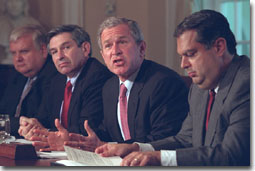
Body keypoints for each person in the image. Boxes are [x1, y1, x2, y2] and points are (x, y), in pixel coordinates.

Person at [94, 10, 250, 166]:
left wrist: (159, 158)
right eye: (182, 56)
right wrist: (136, 148)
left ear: (219, 47)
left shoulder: (247, 83)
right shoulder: (199, 88)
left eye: (191, 54)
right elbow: (184, 139)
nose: (183, 65)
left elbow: (231, 154)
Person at [59, 17, 189, 152]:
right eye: (108, 45)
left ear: (142, 48)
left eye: (122, 42)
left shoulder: (163, 82)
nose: (115, 51)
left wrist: (120, 147)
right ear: (103, 56)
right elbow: (109, 132)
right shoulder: (110, 87)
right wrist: (86, 141)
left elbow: (164, 138)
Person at [18, 25, 112, 146]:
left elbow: (85, 129)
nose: (60, 56)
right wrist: (32, 127)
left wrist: (46, 132)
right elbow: (42, 119)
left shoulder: (97, 76)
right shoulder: (57, 80)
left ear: (85, 49)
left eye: (66, 48)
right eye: (54, 52)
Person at [0, 25, 58, 137]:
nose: (18, 58)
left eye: (24, 51)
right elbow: (3, 114)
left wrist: (9, 123)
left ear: (43, 50)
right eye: (13, 53)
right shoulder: (17, 76)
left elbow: (37, 121)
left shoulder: (56, 76)